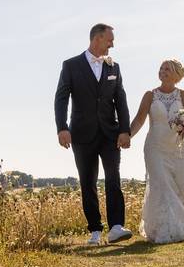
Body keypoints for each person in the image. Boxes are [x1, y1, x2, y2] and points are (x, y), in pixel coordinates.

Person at [54, 23, 133, 245]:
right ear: (97, 39)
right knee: (87, 182)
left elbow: (121, 100)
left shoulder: (114, 67)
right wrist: (62, 128)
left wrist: (124, 131)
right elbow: (61, 98)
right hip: (81, 133)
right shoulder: (70, 66)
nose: (113, 44)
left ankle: (116, 227)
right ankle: (95, 231)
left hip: (110, 133)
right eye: (110, 40)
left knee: (113, 178)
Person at [128, 59, 184, 243]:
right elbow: (139, 120)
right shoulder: (150, 96)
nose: (163, 71)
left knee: (182, 186)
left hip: (178, 148)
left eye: (167, 69)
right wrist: (127, 136)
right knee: (162, 186)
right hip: (155, 148)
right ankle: (163, 232)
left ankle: (182, 225)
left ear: (176, 74)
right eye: (161, 68)